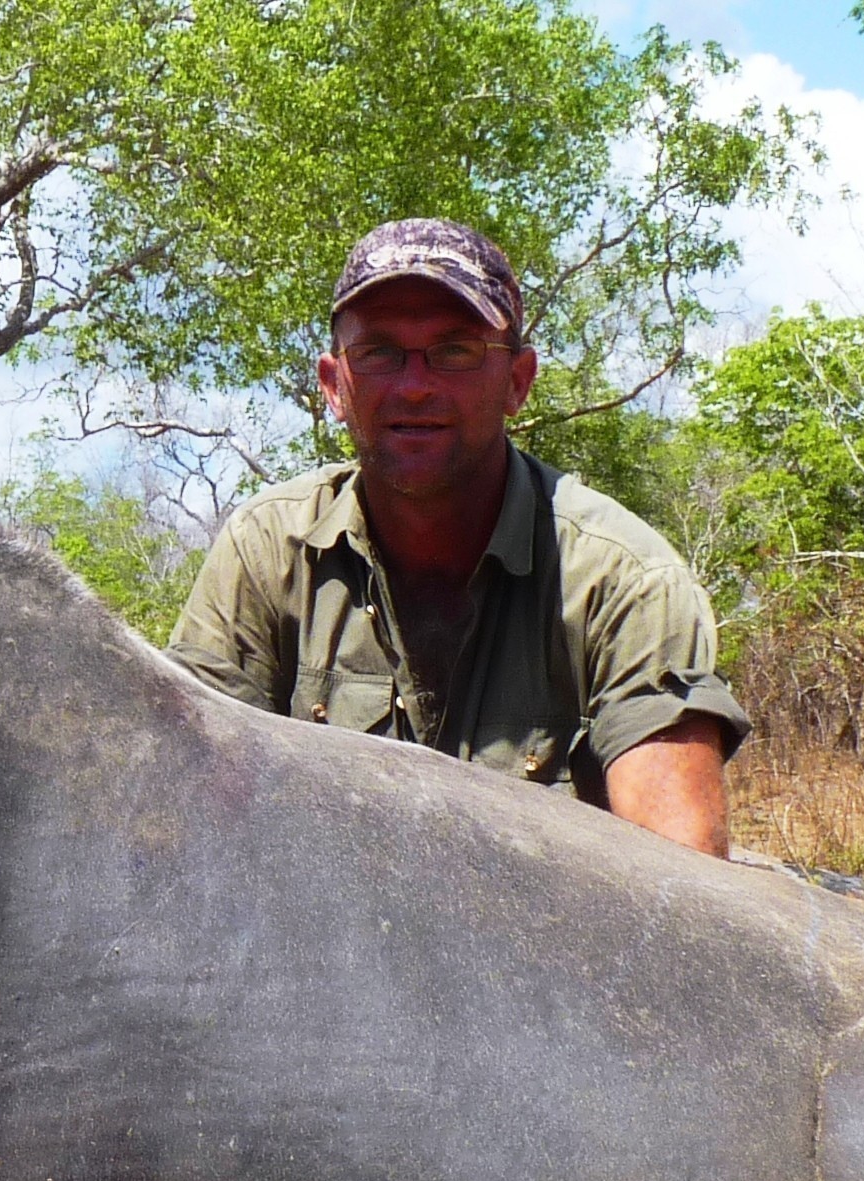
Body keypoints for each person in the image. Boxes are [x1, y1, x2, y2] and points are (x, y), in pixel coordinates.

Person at [167, 219, 746, 856]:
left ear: (518, 382)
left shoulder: (627, 583)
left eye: (456, 351)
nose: (415, 385)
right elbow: (184, 818)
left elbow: (679, 888)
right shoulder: (265, 551)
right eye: (379, 353)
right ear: (334, 385)